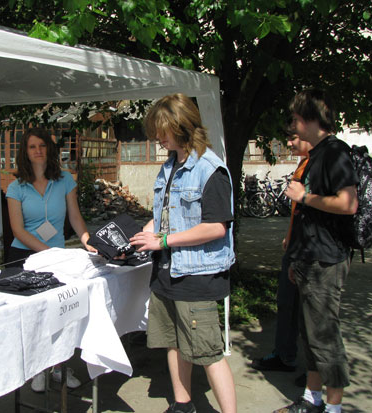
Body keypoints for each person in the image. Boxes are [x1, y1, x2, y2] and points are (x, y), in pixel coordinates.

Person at [130, 93, 236, 413]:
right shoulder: (170, 166)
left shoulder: (210, 170)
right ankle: (182, 404)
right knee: (173, 342)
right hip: (167, 273)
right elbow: (166, 216)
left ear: (182, 126)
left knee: (208, 353)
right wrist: (142, 235)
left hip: (196, 277)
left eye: (163, 131)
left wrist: (163, 241)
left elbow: (216, 227)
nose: (158, 138)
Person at [274, 89, 358, 413]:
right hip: (308, 258)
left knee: (325, 337)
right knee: (309, 335)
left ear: (309, 119)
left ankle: (333, 407)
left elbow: (348, 204)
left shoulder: (335, 152)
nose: (292, 126)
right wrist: (295, 257)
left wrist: (304, 197)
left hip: (326, 260)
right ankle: (313, 399)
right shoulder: (316, 155)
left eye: (296, 119)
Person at [5, 127, 96, 392]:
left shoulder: (65, 180)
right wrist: (48, 252)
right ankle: (38, 369)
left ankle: (59, 367)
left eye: (42, 146)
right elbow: (18, 230)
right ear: (25, 152)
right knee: (34, 319)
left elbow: (75, 216)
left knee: (62, 314)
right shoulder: (16, 187)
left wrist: (87, 240)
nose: (38, 151)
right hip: (25, 257)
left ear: (49, 149)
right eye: (32, 146)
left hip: (56, 257)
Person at [251, 133, 313, 386]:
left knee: (311, 314)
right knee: (287, 303)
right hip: (296, 247)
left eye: (294, 136)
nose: (288, 143)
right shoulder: (304, 164)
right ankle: (285, 355)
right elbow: (298, 213)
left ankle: (317, 373)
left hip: (311, 252)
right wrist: (289, 237)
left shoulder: (320, 164)